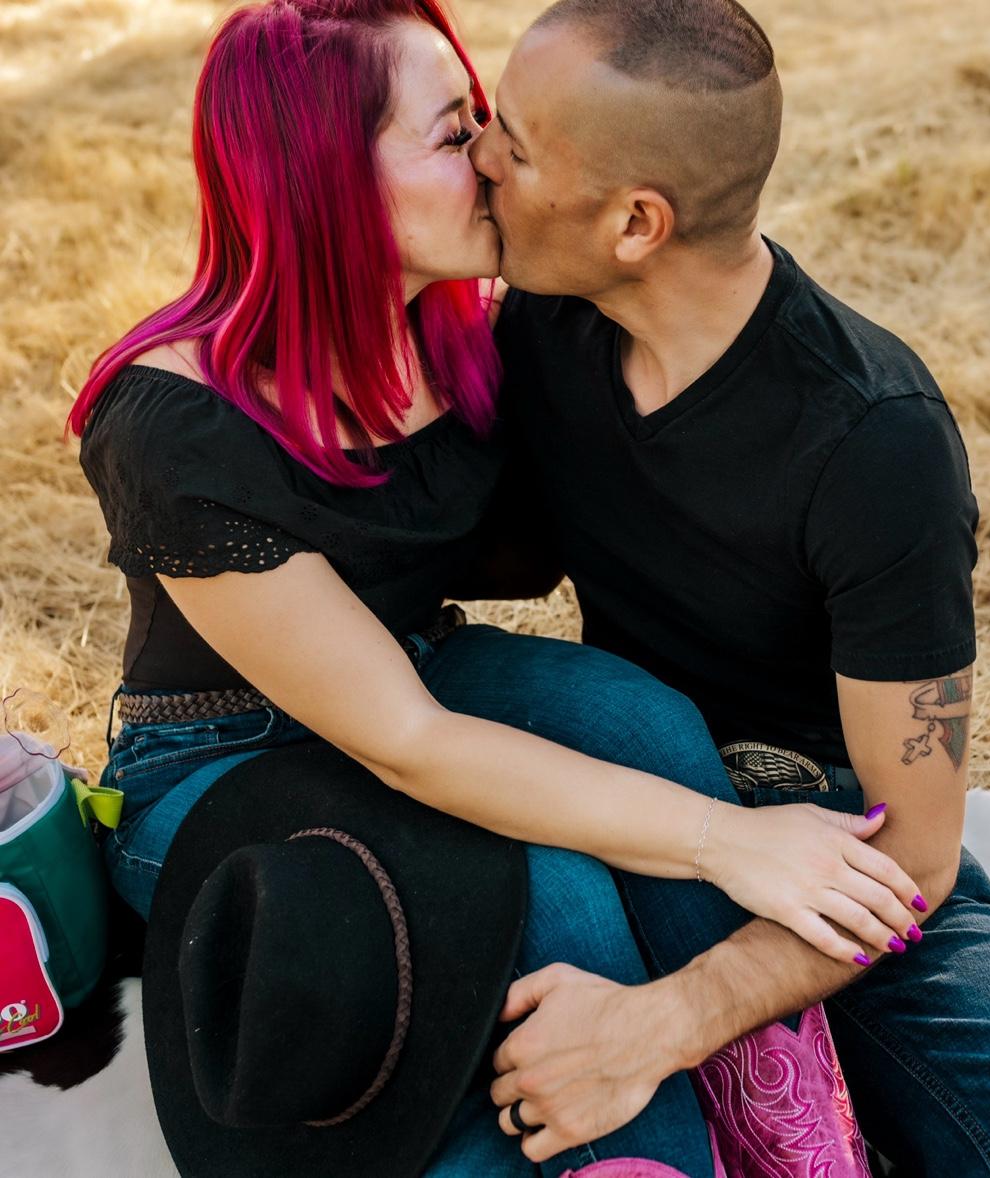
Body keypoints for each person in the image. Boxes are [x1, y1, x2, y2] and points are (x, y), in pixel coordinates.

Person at [68, 2, 925, 1175]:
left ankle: (770, 1105)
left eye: (480, 119)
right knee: (533, 869)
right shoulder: (176, 424)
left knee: (640, 718)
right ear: (324, 181)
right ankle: (640, 1155)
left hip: (416, 665)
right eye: (450, 131)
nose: (486, 156)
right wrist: (721, 836)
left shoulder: (464, 333)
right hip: (224, 755)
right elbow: (408, 742)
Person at [463, 0, 990, 1174]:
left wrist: (664, 1022)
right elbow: (516, 556)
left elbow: (916, 860)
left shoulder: (875, 442)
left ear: (635, 222)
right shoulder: (544, 326)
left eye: (516, 143)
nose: (480, 155)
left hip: (842, 847)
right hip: (627, 793)